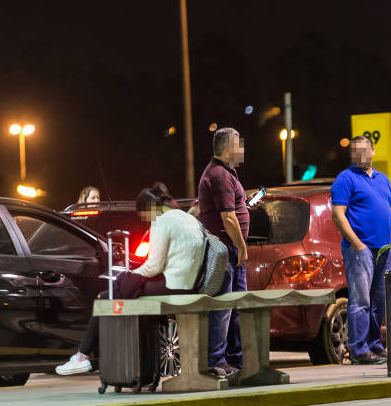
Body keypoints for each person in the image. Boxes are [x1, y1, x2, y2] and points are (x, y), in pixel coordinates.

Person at [55, 183, 205, 375]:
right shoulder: (188, 218)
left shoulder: (162, 222)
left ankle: (82, 356)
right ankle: (83, 356)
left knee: (106, 295)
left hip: (173, 285)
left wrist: (130, 276)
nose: (146, 219)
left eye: (144, 215)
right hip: (189, 284)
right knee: (118, 289)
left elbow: (153, 266)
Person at [330, 135, 391, 365]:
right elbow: (338, 216)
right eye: (355, 152)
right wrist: (359, 245)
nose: (360, 155)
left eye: (364, 150)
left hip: (384, 250)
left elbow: (390, 212)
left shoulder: (383, 179)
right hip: (361, 250)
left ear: (373, 151)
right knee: (361, 301)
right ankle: (359, 350)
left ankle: (375, 346)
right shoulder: (345, 179)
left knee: (379, 302)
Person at [198, 127, 250, 375]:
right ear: (228, 149)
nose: (242, 150)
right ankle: (216, 361)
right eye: (239, 146)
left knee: (236, 306)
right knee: (223, 308)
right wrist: (241, 246)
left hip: (230, 252)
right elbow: (228, 218)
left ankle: (235, 359)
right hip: (224, 253)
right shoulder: (219, 175)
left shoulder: (227, 173)